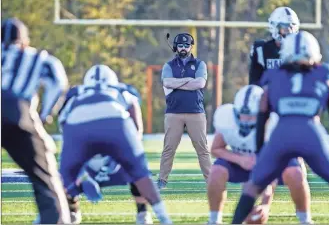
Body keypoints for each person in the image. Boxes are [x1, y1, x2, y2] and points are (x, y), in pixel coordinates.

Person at [232, 31, 329, 224]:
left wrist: (260, 151)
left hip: (281, 134)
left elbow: (262, 113)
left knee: (252, 187)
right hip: (311, 133)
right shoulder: (325, 74)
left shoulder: (273, 76)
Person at [58, 65, 172, 224]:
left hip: (78, 125)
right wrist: (124, 156)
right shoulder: (122, 90)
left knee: (63, 178)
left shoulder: (76, 93)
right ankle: (154, 216)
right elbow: (136, 130)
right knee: (140, 173)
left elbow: (64, 126)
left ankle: (68, 211)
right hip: (116, 122)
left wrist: (80, 171)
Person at [1, 18, 71, 223]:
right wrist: (45, 114)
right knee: (45, 179)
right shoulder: (37, 57)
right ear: (24, 41)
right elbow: (58, 84)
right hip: (15, 112)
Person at [249, 6, 312, 223]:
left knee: (297, 157)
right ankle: (265, 204)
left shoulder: (299, 48)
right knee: (269, 155)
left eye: (292, 28)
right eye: (285, 28)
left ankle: (303, 209)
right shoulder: (261, 50)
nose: (288, 32)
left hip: (290, 108)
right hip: (269, 107)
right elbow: (254, 83)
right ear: (274, 28)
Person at [207, 85, 301, 224]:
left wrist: (265, 204)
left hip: (271, 165)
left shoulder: (275, 123)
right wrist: (240, 159)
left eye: (250, 115)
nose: (245, 120)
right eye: (242, 114)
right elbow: (216, 149)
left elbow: (275, 166)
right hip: (242, 162)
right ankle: (214, 220)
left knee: (296, 172)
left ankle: (305, 219)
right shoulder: (227, 118)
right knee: (216, 171)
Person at [157, 33, 211, 189]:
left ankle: (211, 180)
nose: (183, 48)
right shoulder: (168, 66)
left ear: (191, 46)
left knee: (202, 149)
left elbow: (200, 83)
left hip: (196, 112)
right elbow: (167, 82)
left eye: (186, 45)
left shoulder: (200, 64)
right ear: (176, 47)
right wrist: (188, 80)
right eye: (180, 45)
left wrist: (177, 84)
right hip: (174, 112)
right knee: (169, 148)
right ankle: (162, 180)